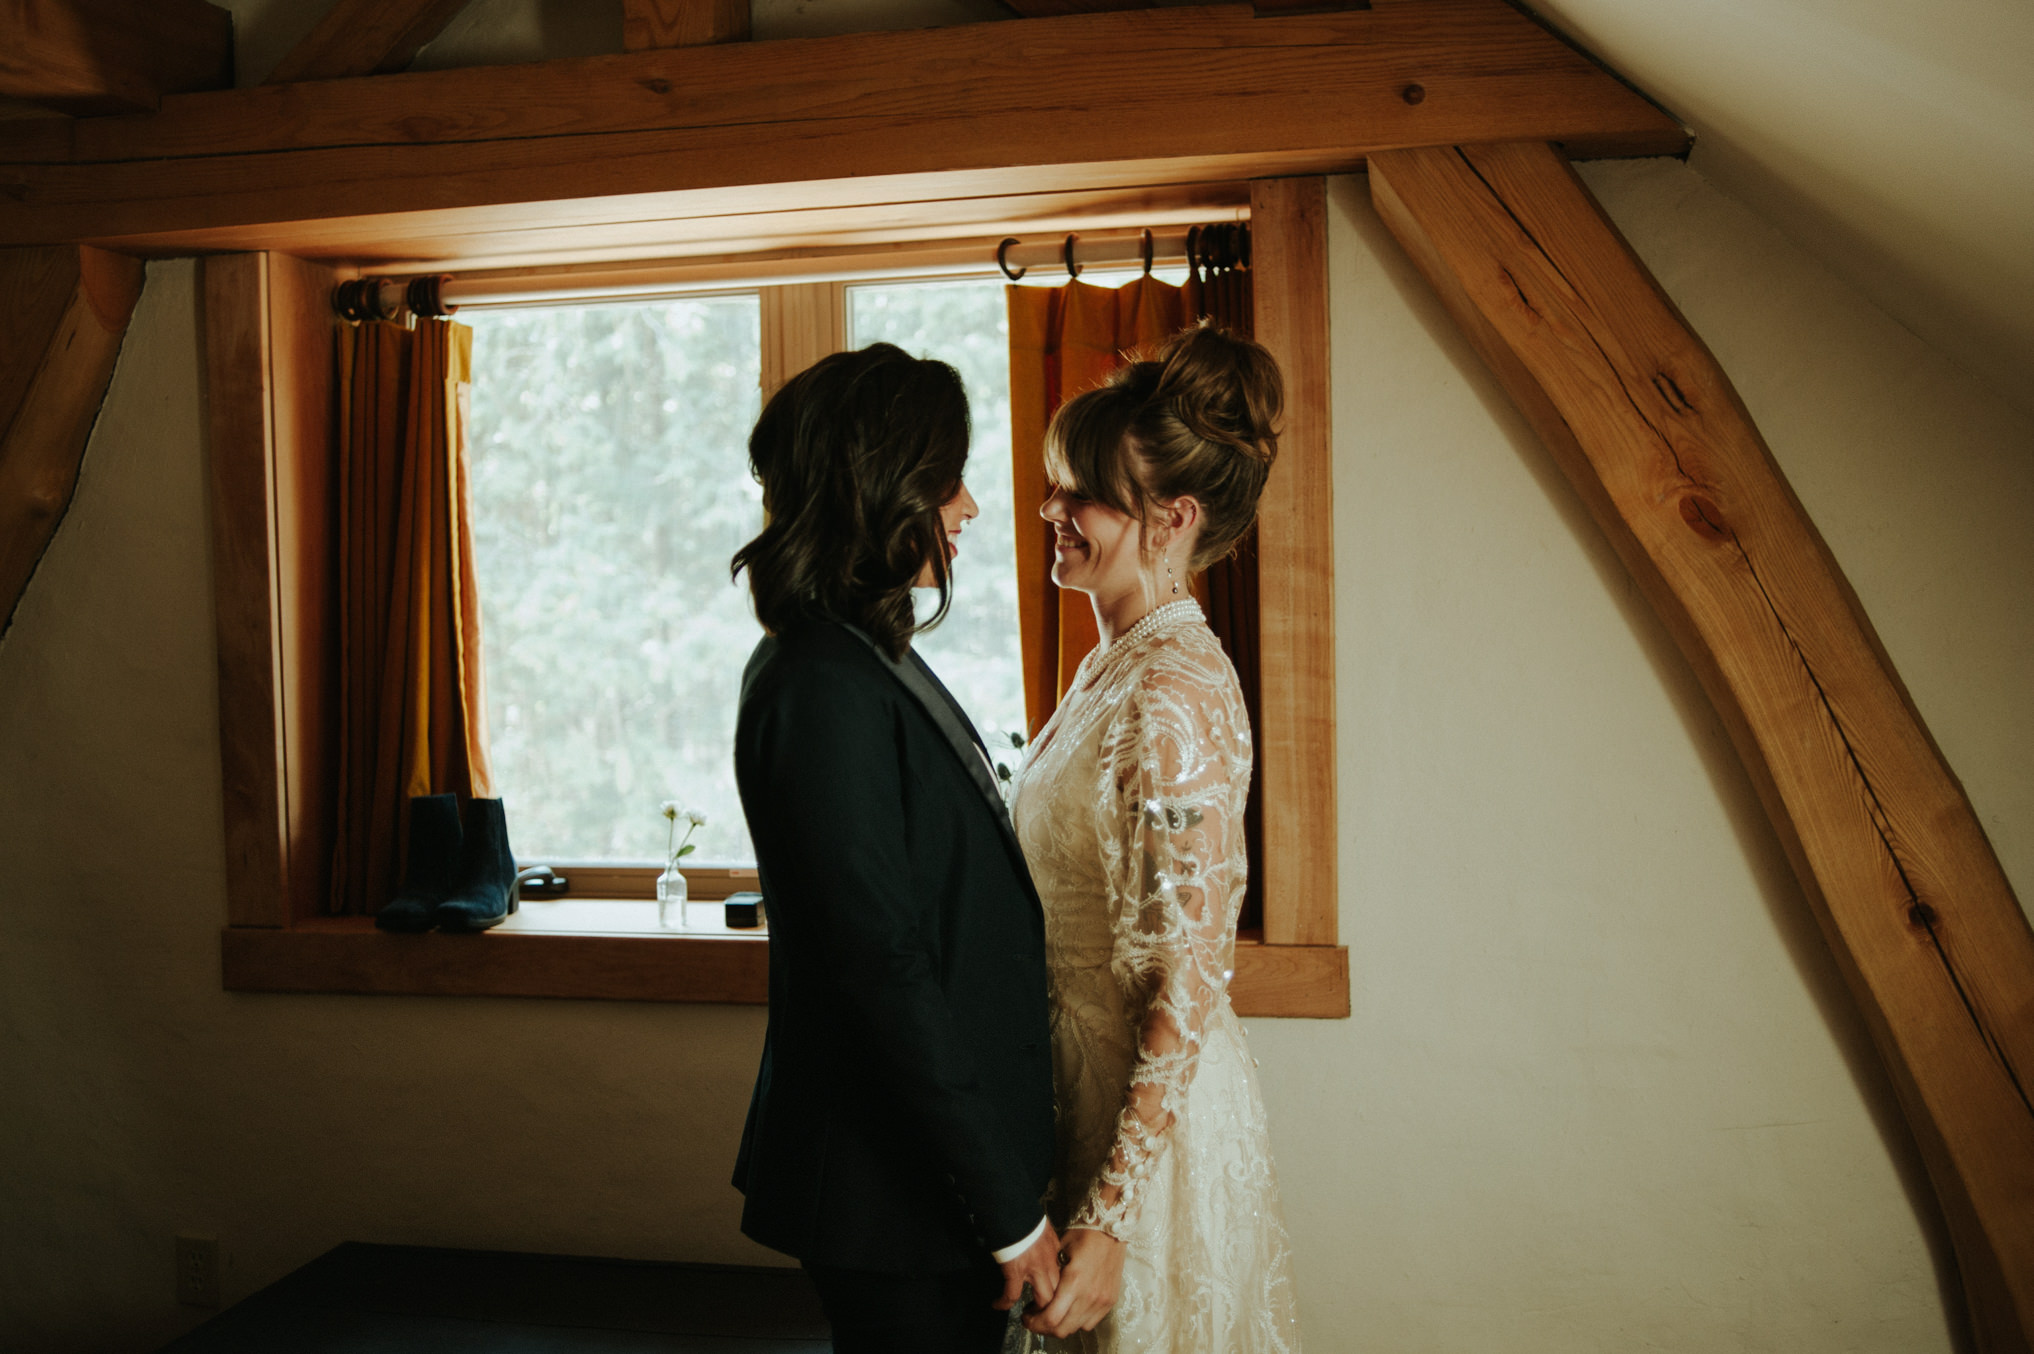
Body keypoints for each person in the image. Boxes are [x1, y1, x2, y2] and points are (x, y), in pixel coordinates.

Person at [729, 343, 1062, 1353]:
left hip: (926, 1183)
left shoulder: (862, 654)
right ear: (888, 489)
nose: (967, 511)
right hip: (897, 1192)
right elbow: (882, 965)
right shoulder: (821, 683)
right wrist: (1006, 1206)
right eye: (950, 480)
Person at [1010, 324, 1303, 1352]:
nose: (1052, 509)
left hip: (1141, 1142)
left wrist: (1109, 1214)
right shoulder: (1115, 666)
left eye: (1080, 492)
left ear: (1171, 518)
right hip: (1078, 1097)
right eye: (1054, 486)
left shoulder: (1171, 688)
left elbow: (1188, 980)